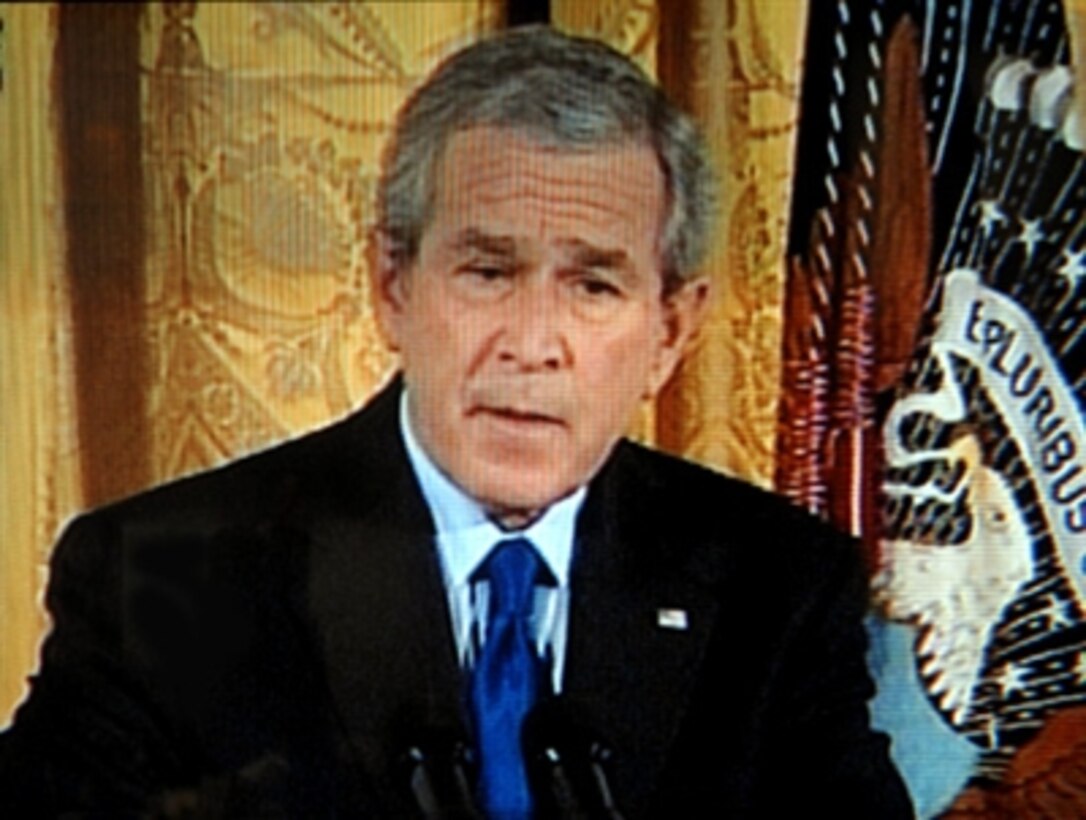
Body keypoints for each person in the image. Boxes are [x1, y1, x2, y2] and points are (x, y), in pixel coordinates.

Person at [0, 26, 912, 818]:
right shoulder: (163, 583)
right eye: (488, 271)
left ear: (671, 331)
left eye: (594, 285)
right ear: (392, 285)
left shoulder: (778, 591)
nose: (532, 344)